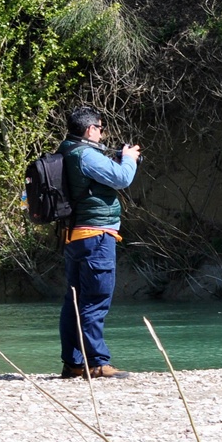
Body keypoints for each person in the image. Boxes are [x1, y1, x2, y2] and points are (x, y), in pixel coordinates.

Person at [58, 106, 140, 379]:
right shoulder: (85, 156)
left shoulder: (65, 151)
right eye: (101, 128)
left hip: (74, 237)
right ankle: (97, 363)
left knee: (74, 301)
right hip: (96, 237)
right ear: (90, 129)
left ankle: (73, 363)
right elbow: (122, 178)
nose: (102, 132)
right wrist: (128, 158)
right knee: (95, 300)